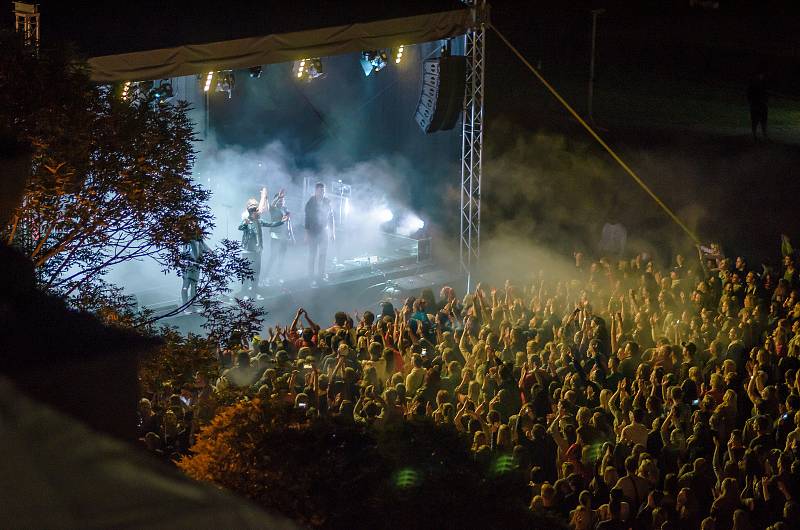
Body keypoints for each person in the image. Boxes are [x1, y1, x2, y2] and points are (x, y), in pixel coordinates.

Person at [238, 188, 287, 300]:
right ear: (251, 211)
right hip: (247, 251)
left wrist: (282, 221)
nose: (259, 212)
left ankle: (254, 293)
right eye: (256, 210)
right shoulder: (246, 219)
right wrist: (244, 223)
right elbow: (240, 227)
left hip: (257, 251)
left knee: (256, 273)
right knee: (246, 273)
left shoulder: (259, 221)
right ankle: (244, 293)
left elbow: (271, 224)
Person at [304, 182, 335, 286]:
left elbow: (331, 218)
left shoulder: (328, 202)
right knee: (312, 255)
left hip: (324, 232)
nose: (322, 192)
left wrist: (332, 232)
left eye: (324, 191)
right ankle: (310, 278)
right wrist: (306, 234)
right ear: (316, 191)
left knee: (323, 255)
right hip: (313, 232)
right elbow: (307, 219)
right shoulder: (310, 202)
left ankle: (321, 277)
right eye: (320, 190)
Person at [264, 189, 294, 285]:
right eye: (280, 200)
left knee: (282, 258)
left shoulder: (286, 209)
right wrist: (278, 197)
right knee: (273, 257)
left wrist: (292, 236)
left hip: (284, 237)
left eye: (283, 200)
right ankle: (265, 277)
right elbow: (271, 205)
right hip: (275, 236)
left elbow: (289, 223)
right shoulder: (273, 209)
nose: (282, 201)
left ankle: (278, 276)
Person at [180, 226, 210, 313]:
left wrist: (211, 253)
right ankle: (185, 305)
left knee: (194, 286)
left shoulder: (199, 240)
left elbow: (205, 248)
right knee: (186, 285)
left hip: (196, 266)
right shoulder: (186, 241)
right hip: (188, 265)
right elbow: (185, 252)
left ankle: (192, 305)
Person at [747, 70, 768, 142]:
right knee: (755, 120)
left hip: (762, 104)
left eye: (762, 75)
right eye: (760, 75)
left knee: (763, 120)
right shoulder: (753, 84)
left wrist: (765, 101)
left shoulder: (763, 84)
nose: (761, 76)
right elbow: (749, 94)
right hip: (756, 104)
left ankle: (764, 135)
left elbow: (765, 94)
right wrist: (751, 102)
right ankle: (755, 135)